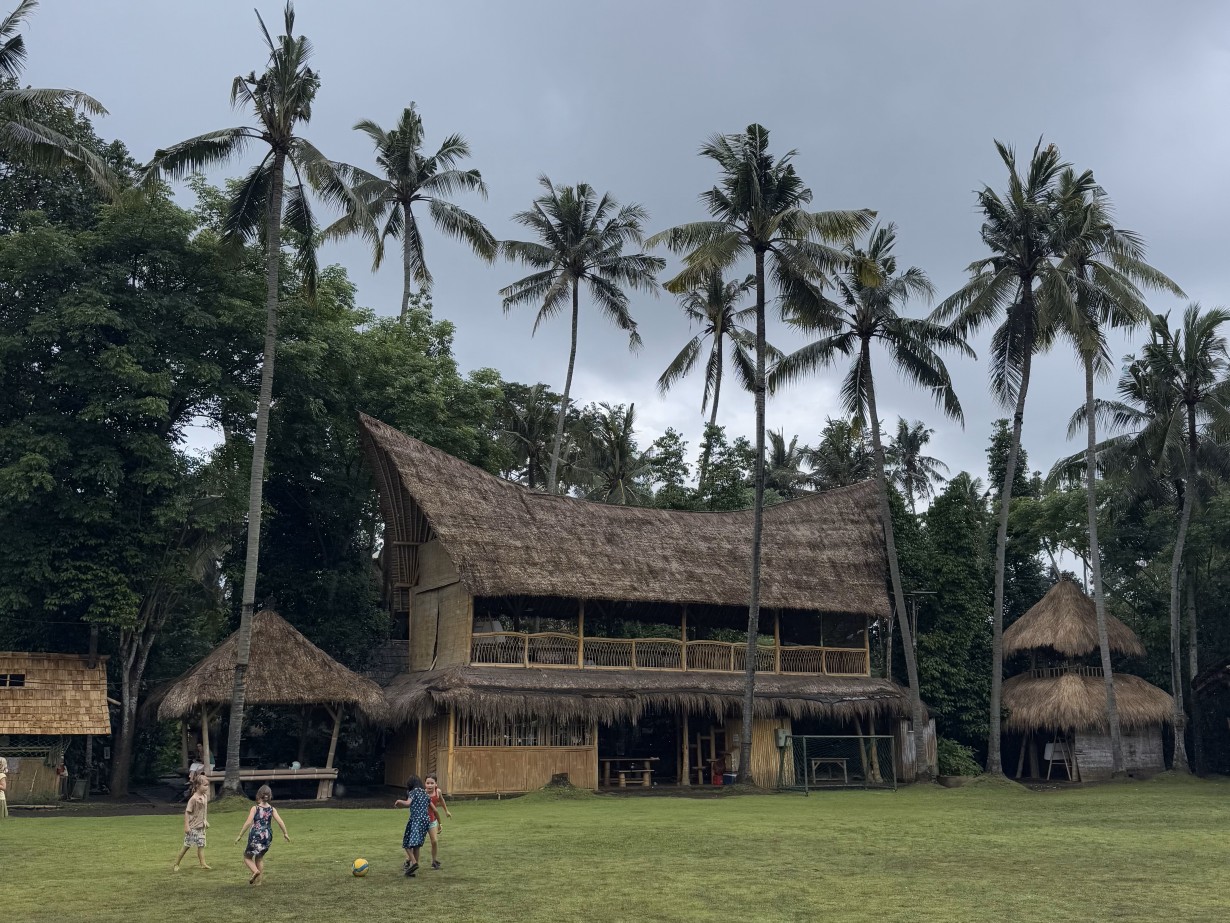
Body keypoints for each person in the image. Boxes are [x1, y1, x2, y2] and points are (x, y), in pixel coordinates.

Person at [235, 784, 290, 886]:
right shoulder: (272, 809)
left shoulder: (255, 808)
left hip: (256, 835)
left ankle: (255, 871)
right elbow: (280, 821)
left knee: (247, 857)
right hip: (267, 836)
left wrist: (240, 835)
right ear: (269, 796)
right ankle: (258, 882)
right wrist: (285, 833)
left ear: (259, 795)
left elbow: (248, 822)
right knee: (259, 858)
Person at [394, 776, 430, 877]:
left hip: (416, 820)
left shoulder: (413, 792)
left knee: (406, 843)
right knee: (416, 845)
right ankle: (412, 870)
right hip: (425, 821)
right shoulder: (425, 793)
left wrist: (399, 801)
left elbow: (408, 803)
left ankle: (414, 863)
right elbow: (433, 809)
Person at [173, 775, 211, 871]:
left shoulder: (205, 797)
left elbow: (202, 811)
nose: (207, 787)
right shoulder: (193, 799)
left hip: (201, 827)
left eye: (207, 785)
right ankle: (176, 864)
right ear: (198, 785)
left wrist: (205, 821)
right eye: (205, 785)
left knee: (201, 846)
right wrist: (186, 826)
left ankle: (203, 863)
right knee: (186, 846)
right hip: (193, 828)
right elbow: (187, 812)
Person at [424, 774, 452, 870]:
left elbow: (442, 800)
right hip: (422, 821)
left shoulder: (438, 792)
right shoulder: (423, 794)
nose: (430, 785)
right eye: (428, 783)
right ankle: (408, 860)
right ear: (425, 784)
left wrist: (446, 811)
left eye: (432, 783)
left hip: (433, 820)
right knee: (416, 842)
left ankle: (434, 861)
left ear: (436, 784)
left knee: (434, 841)